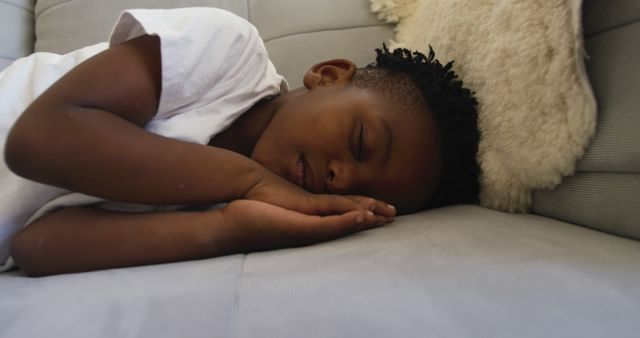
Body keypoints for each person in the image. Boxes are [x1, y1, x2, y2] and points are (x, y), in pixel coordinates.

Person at [0, 8, 479, 277]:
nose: (341, 178)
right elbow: (38, 139)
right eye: (360, 142)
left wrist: (228, 230)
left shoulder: (235, 204)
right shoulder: (230, 53)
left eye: (363, 192)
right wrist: (248, 179)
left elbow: (38, 246)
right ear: (329, 76)